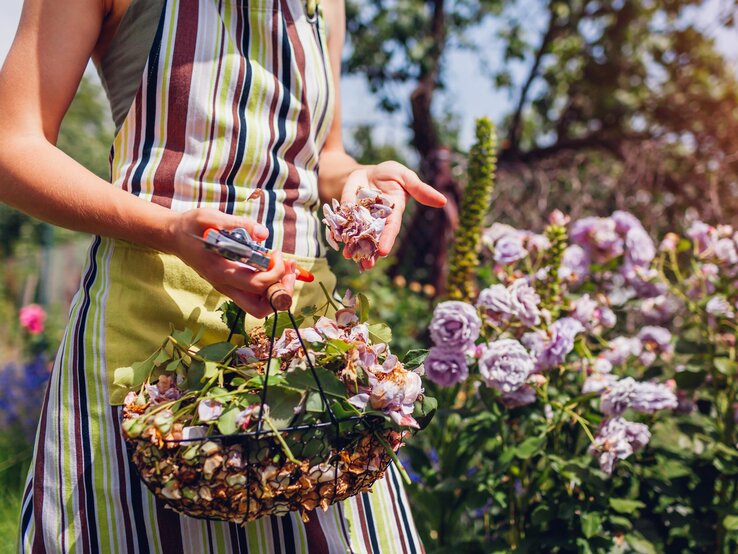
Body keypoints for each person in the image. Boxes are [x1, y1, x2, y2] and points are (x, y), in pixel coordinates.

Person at [0, 0, 446, 552]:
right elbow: (11, 145)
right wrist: (169, 229)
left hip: (309, 358)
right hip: (148, 345)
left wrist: (357, 177)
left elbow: (319, 159)